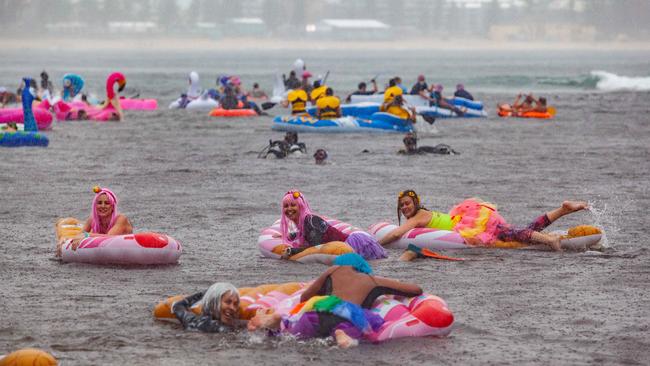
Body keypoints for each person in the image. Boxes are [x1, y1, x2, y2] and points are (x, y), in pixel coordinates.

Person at [248, 253, 422, 348]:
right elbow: (416, 290)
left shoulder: (333, 271)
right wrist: (389, 285)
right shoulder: (372, 280)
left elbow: (304, 297)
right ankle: (342, 335)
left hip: (319, 311)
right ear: (364, 267)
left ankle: (279, 320)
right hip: (349, 317)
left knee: (291, 335)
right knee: (374, 320)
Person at [378, 190, 589, 254]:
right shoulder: (418, 216)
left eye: (407, 204)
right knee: (519, 231)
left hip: (470, 223)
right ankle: (563, 210)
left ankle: (551, 240)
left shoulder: (419, 216)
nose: (405, 208)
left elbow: (398, 234)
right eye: (401, 206)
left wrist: (376, 245)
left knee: (511, 232)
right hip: (466, 221)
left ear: (415, 203)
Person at [276, 190, 387, 260]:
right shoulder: (303, 223)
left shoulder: (310, 220)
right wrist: (288, 236)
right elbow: (305, 234)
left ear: (301, 206)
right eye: (286, 206)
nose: (289, 209)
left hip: (353, 244)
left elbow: (316, 247)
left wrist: (292, 251)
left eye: (293, 205)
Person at [56, 186, 133, 256]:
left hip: (127, 248)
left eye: (107, 203)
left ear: (112, 206)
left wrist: (88, 235)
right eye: (99, 203)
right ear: (95, 205)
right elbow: (79, 235)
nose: (103, 206)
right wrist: (65, 240)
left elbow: (109, 238)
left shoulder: (121, 219)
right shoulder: (92, 219)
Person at [172, 282, 243, 333]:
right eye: (228, 302)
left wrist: (203, 294)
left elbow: (177, 306)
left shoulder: (193, 321)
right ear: (213, 302)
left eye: (235, 304)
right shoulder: (224, 329)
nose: (232, 308)